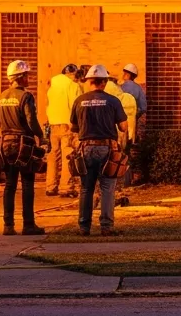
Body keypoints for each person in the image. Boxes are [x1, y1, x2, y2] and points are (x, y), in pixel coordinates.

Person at [70, 64, 128, 236]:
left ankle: (84, 227)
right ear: (104, 82)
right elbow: (124, 127)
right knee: (108, 188)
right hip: (107, 149)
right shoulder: (113, 101)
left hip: (86, 148)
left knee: (86, 188)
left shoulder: (79, 101)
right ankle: (106, 226)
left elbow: (74, 128)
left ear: (90, 82)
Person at [0, 60, 47, 235]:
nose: (29, 79)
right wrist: (41, 136)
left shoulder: (3, 96)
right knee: (27, 185)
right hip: (23, 144)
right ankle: (28, 225)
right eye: (27, 75)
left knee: (10, 185)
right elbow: (31, 120)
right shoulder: (26, 97)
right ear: (20, 77)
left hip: (6, 143)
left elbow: (0, 122)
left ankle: (8, 225)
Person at [44, 63, 82, 197]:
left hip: (53, 124)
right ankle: (66, 187)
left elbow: (48, 105)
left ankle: (50, 186)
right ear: (73, 74)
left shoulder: (52, 85)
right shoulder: (74, 86)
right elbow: (77, 106)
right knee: (68, 154)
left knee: (53, 155)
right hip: (68, 124)